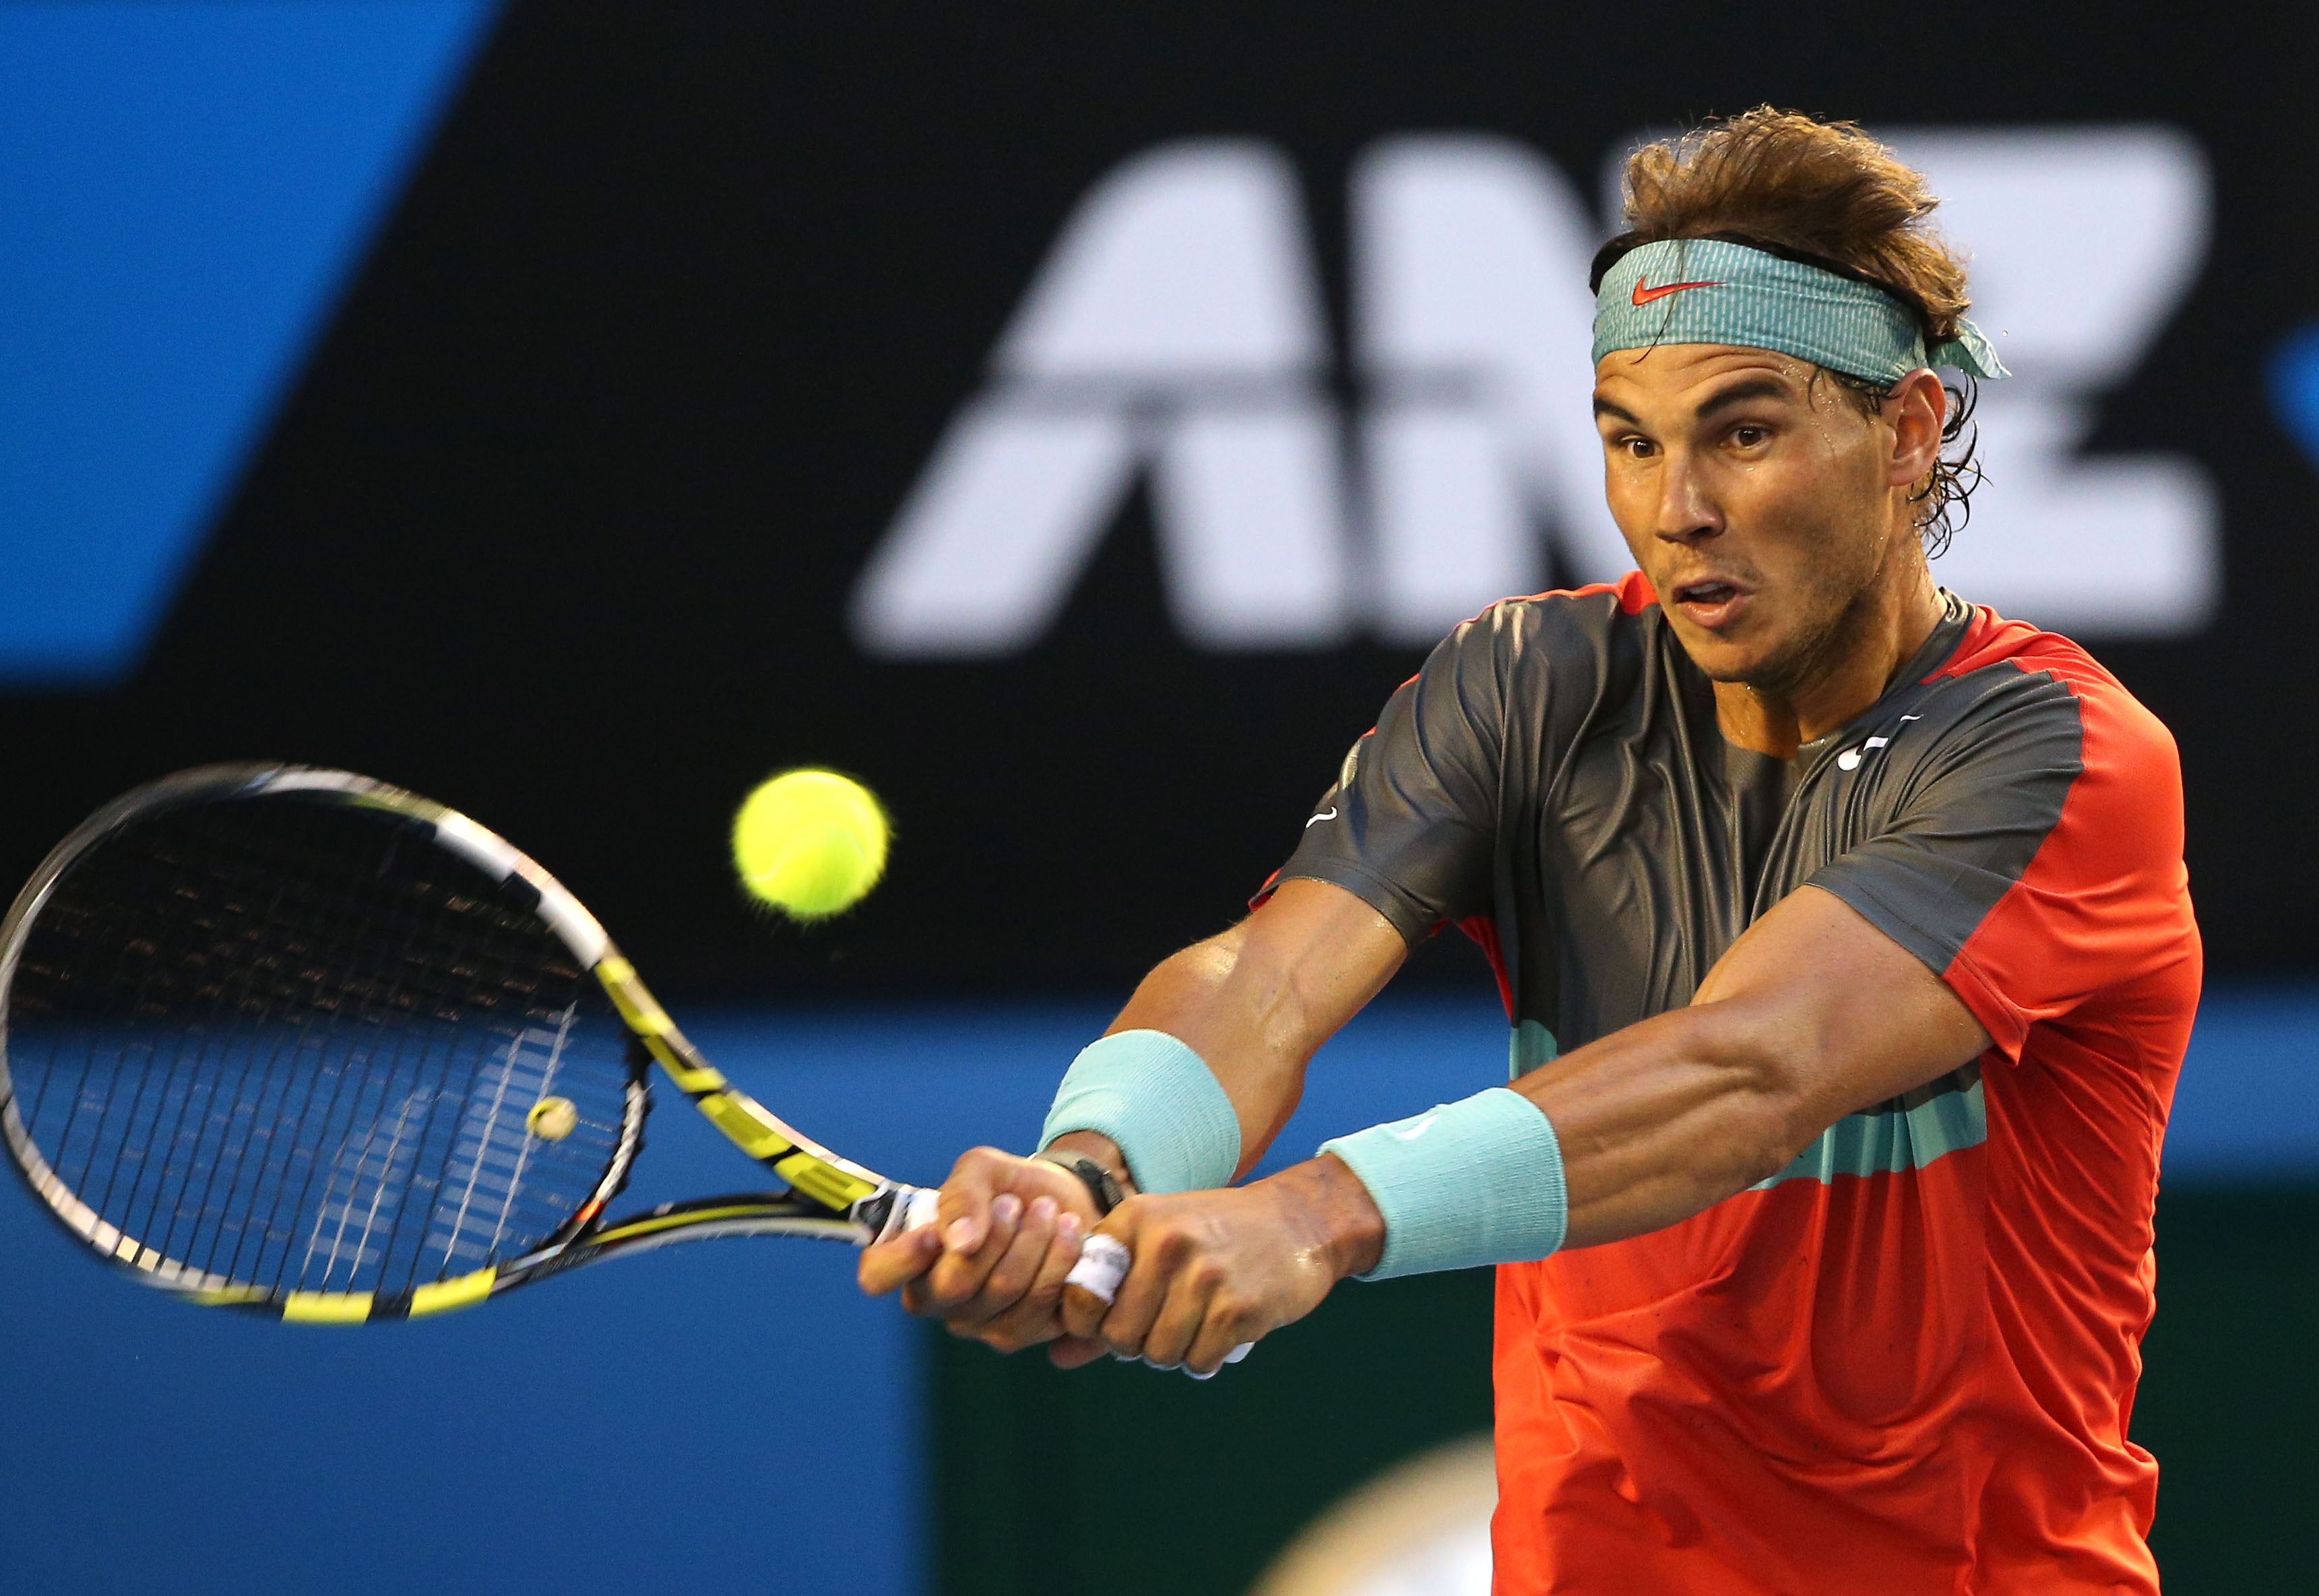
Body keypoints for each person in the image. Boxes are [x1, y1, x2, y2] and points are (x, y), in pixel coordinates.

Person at [858, 107, 2199, 1595]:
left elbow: (1749, 1069)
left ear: (1903, 431)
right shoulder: (1531, 682)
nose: (1674, 511)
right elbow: (1265, 979)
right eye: (1630, 441)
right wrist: (1092, 1171)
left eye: (1742, 432)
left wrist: (1316, 1215)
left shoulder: (2058, 754)